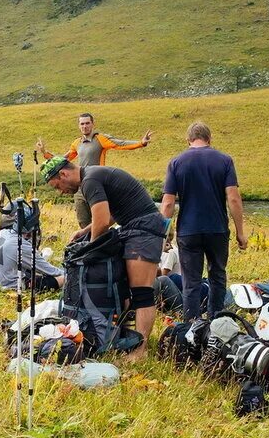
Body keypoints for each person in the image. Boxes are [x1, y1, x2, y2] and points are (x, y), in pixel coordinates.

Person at [42, 157, 168, 359]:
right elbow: (110, 215)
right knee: (124, 289)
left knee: (142, 292)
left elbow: (101, 223)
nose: (60, 191)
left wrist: (89, 252)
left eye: (58, 186)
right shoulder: (92, 175)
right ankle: (124, 338)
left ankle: (141, 349)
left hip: (144, 229)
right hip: (131, 228)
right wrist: (85, 231)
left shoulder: (89, 181)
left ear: (64, 174)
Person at [160, 121, 248, 321]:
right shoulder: (224, 161)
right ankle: (217, 323)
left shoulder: (176, 162)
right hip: (217, 229)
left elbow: (167, 204)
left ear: (188, 140)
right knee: (217, 276)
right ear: (210, 139)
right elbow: (233, 198)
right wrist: (240, 232)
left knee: (191, 282)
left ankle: (191, 326)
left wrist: (162, 235)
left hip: (188, 231)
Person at [36, 113, 153, 228]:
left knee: (101, 220)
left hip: (97, 183)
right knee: (83, 222)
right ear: (78, 126)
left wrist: (141, 143)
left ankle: (104, 242)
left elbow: (120, 144)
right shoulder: (77, 143)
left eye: (87, 123)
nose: (84, 126)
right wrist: (45, 153)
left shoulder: (100, 139)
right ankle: (88, 244)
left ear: (93, 124)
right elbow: (62, 161)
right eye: (82, 124)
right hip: (79, 187)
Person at [0, 203, 64, 293]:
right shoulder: (21, 245)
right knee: (63, 278)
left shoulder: (2, 233)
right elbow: (50, 271)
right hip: (10, 285)